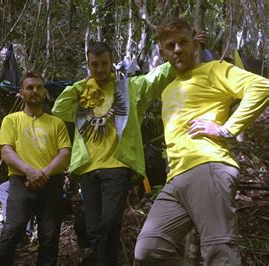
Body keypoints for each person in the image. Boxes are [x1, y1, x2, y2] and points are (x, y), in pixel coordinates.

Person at [134, 17, 269, 265]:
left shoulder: (214, 69)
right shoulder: (167, 89)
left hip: (207, 167)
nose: (177, 49)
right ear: (162, 52)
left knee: (219, 251)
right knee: (148, 251)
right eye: (170, 45)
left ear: (195, 44)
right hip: (175, 179)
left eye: (183, 42)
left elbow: (261, 87)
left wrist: (227, 129)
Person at [52, 42, 175, 265]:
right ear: (88, 65)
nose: (99, 70)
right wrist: (80, 86)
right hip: (88, 168)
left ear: (111, 63)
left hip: (117, 166)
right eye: (94, 65)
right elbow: (58, 109)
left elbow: (155, 79)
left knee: (109, 222)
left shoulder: (128, 89)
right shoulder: (81, 92)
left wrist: (181, 53)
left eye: (104, 64)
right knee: (93, 228)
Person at [0, 72, 71, 266]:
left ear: (44, 91)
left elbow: (65, 154)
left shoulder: (56, 122)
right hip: (21, 182)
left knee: (50, 235)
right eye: (30, 87)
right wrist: (29, 171)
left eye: (39, 87)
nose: (35, 91)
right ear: (21, 93)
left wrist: (41, 174)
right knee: (13, 229)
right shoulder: (11, 120)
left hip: (51, 182)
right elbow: (6, 152)